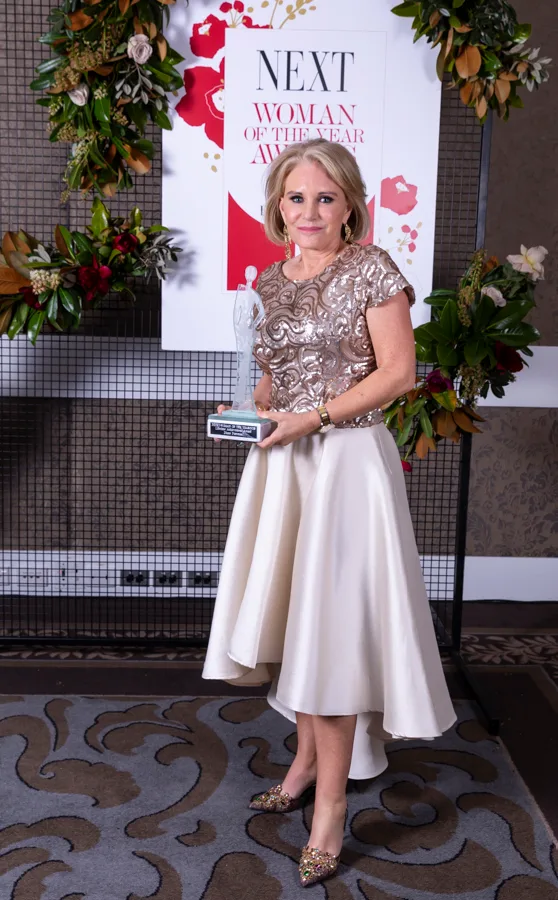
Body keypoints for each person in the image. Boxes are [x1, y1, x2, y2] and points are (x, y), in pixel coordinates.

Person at [202, 139, 456, 887]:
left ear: (350, 205)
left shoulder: (373, 270)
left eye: (324, 197)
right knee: (300, 625)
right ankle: (306, 764)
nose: (308, 211)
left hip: (346, 467)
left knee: (333, 633)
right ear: (277, 206)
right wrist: (249, 409)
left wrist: (309, 419)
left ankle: (331, 812)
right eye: (295, 197)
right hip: (283, 465)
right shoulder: (269, 281)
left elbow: (400, 374)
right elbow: (272, 382)